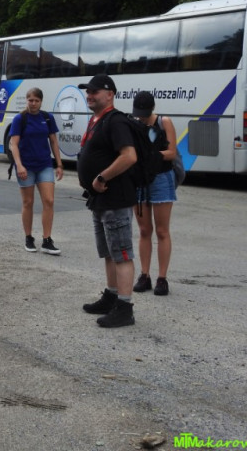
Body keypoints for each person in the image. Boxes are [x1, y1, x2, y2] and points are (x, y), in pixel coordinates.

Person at [76, 74, 137, 328]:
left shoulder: (116, 121)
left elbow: (129, 156)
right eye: (87, 91)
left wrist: (102, 177)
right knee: (109, 253)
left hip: (115, 198)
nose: (89, 95)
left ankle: (125, 308)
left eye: (95, 91)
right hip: (100, 200)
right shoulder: (96, 120)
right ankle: (111, 296)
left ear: (110, 94)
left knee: (121, 253)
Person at [130, 91, 178, 296]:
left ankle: (162, 278)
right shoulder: (134, 124)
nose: (141, 117)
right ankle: (144, 274)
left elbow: (172, 153)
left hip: (161, 178)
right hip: (140, 179)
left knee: (162, 231)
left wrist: (151, 154)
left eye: (144, 114)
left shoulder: (164, 122)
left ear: (152, 109)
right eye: (138, 114)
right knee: (144, 230)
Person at [8, 88, 63, 255]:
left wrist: (59, 164)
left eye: (36, 101)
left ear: (41, 102)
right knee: (28, 202)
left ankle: (47, 240)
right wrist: (19, 165)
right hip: (26, 166)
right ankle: (28, 237)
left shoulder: (47, 118)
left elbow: (53, 141)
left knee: (49, 200)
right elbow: (13, 144)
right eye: (30, 100)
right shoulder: (20, 119)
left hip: (44, 164)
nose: (33, 103)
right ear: (26, 100)